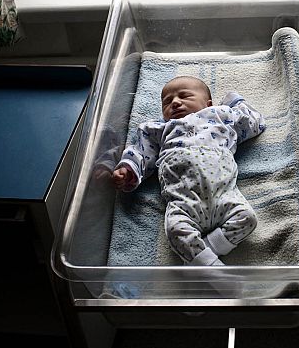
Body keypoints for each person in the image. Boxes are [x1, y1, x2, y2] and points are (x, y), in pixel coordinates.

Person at [106, 75, 265, 266]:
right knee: (176, 231)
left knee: (247, 218)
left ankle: (206, 256)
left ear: (208, 104)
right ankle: (216, 271)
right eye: (167, 102)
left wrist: (234, 103)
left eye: (184, 96)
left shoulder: (219, 115)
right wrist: (128, 169)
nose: (175, 102)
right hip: (184, 200)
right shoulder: (157, 128)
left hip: (223, 194)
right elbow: (140, 152)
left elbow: (254, 122)